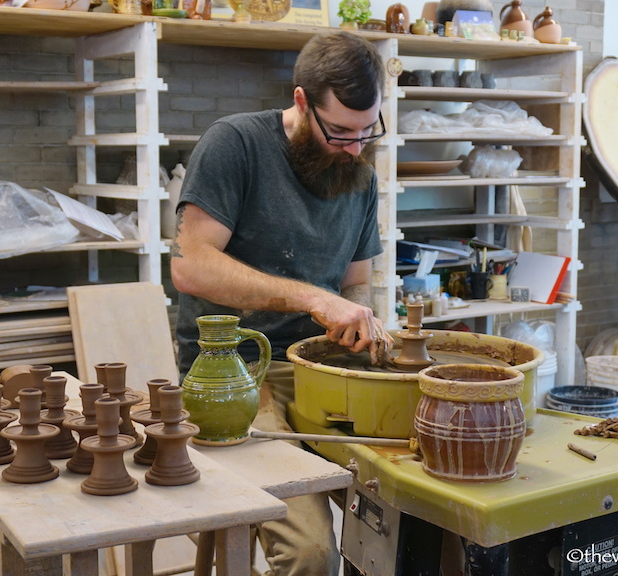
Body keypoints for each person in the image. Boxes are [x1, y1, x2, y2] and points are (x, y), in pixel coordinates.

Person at [170, 31, 393, 576]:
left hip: (319, 367)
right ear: (300, 102)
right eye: (339, 131)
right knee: (311, 551)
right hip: (238, 370)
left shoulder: (358, 171)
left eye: (368, 131)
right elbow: (192, 265)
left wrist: (359, 317)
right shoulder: (236, 143)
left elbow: (356, 280)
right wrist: (315, 299)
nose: (354, 147)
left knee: (413, 513)